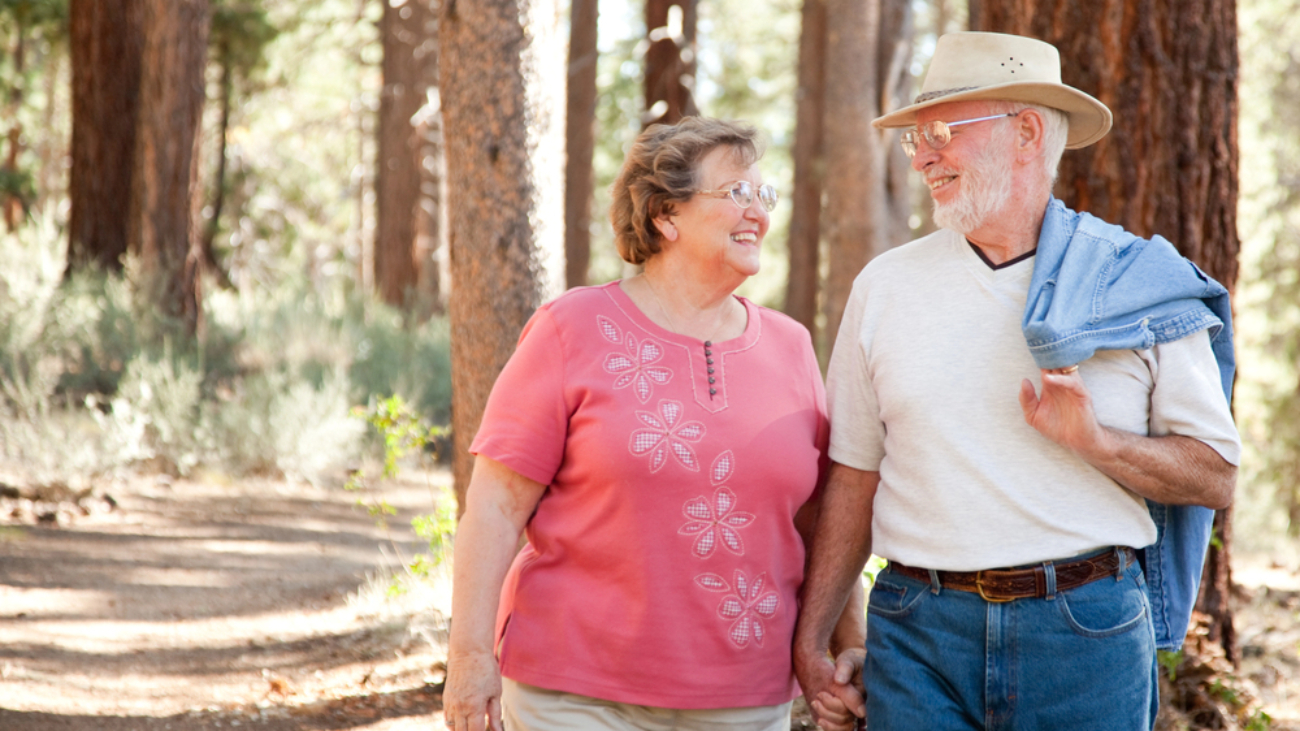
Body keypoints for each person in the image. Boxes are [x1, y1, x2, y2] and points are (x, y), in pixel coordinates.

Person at [793, 31, 1241, 731]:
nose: (924, 157)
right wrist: (813, 633)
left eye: (943, 131)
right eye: (916, 139)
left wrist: (1098, 442)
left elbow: (1216, 476)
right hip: (917, 629)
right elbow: (855, 472)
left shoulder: (1138, 285)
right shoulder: (884, 286)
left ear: (1026, 130)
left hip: (1084, 634)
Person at [444, 116, 864, 731]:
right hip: (577, 688)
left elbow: (823, 525)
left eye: (763, 195)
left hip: (743, 694)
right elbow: (495, 507)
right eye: (736, 193)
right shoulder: (571, 328)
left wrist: (841, 648)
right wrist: (471, 656)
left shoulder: (791, 346)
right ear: (666, 216)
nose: (758, 212)